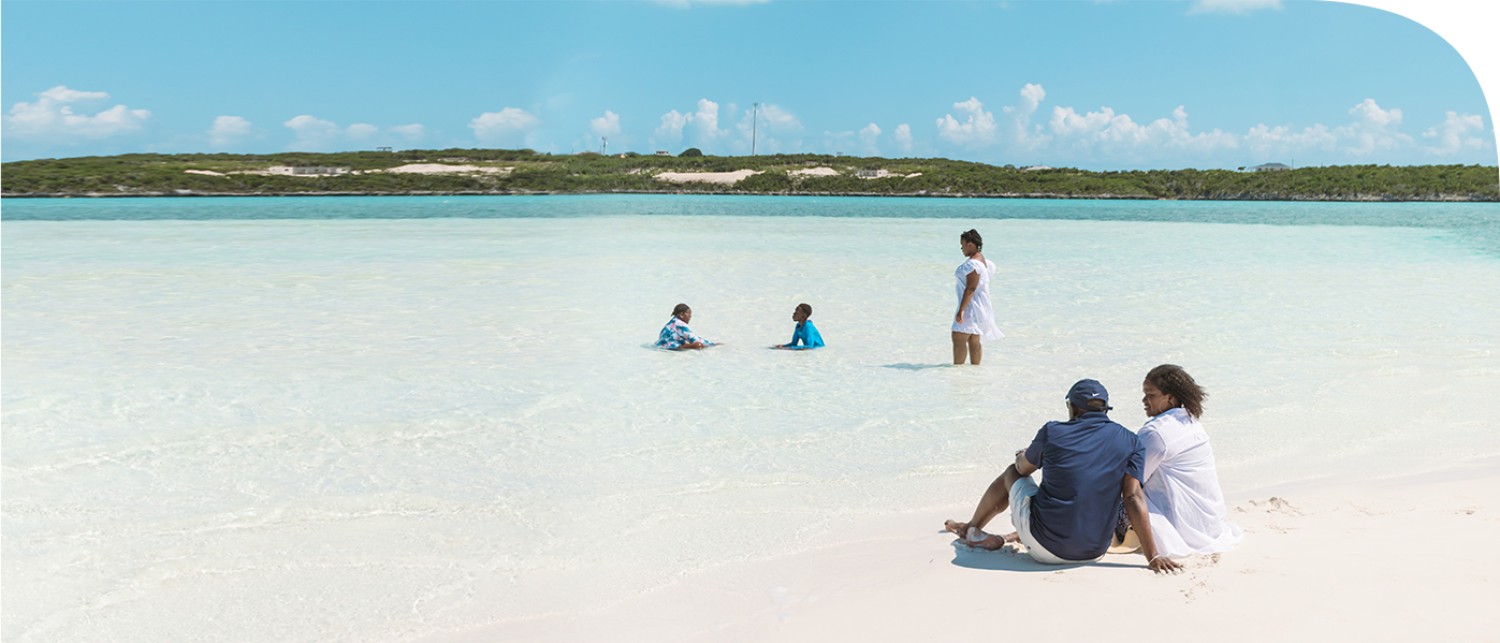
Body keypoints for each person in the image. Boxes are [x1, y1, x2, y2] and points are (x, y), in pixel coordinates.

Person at [943, 379, 1182, 574]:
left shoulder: (1053, 431)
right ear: (1104, 408)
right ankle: (991, 531)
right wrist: (1154, 555)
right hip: (1096, 550)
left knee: (1011, 472)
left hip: (1044, 548)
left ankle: (972, 529)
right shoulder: (1131, 440)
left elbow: (1023, 469)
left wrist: (1022, 456)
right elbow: (1132, 497)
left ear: (1073, 407)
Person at [1123, 364, 1242, 557]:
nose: (1144, 400)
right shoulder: (1190, 420)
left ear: (1170, 398)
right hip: (1208, 523)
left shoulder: (1156, 433)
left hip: (1179, 527)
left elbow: (1133, 483)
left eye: (1150, 395)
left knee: (1115, 492)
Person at [951, 229, 1003, 365]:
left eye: (962, 244)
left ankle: (957, 372)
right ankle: (975, 372)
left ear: (970, 244)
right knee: (973, 339)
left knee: (958, 337)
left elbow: (971, 288)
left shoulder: (972, 264)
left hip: (970, 306)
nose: (961, 248)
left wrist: (961, 310)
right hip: (979, 306)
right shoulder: (985, 263)